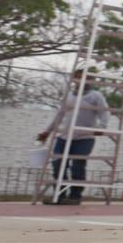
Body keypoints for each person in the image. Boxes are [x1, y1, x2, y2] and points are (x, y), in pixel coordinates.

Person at [37, 69, 110, 205]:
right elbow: (59, 115)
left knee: (78, 165)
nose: (80, 80)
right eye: (77, 78)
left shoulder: (96, 96)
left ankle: (75, 196)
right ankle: (59, 195)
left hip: (84, 138)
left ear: (90, 80)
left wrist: (102, 127)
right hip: (64, 137)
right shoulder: (69, 96)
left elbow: (104, 113)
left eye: (84, 78)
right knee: (58, 164)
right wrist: (47, 131)